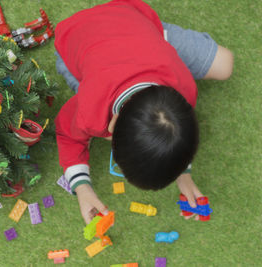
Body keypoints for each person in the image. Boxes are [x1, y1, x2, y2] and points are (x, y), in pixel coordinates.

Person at [53, 0, 233, 224]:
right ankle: (149, 37)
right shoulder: (91, 109)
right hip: (77, 36)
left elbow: (174, 129)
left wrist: (183, 173)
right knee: (86, 123)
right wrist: (81, 187)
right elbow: (66, 132)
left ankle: (152, 36)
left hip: (135, 24)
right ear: (114, 121)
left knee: (225, 64)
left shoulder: (184, 89)